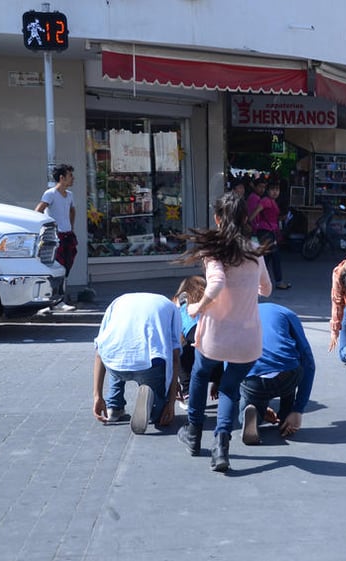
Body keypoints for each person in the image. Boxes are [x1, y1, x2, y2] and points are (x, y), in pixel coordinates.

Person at [175, 191, 273, 473]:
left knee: (200, 374)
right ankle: (221, 446)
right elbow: (266, 289)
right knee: (230, 387)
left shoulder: (213, 251)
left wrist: (198, 307)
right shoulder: (254, 248)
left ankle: (193, 435)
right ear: (245, 218)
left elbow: (216, 283)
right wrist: (247, 287)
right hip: (247, 339)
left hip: (216, 336)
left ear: (218, 219)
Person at [92, 292, 182, 435]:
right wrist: (170, 403)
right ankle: (151, 399)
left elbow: (100, 349)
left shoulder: (117, 301)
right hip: (150, 365)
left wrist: (97, 396)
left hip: (115, 365)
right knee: (158, 416)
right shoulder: (171, 308)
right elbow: (174, 356)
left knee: (117, 353)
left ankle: (114, 406)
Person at [238, 302, 316, 445]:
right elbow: (308, 360)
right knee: (290, 361)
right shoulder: (286, 313)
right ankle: (287, 415)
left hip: (253, 379)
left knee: (248, 401)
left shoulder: (238, 315)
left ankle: (254, 412)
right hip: (287, 377)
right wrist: (298, 410)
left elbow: (229, 361)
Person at [172, 276, 223, 409]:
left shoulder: (181, 301)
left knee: (181, 350)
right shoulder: (213, 300)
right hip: (218, 353)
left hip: (194, 344)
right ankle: (226, 387)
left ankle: (188, 392)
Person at [35, 163, 77, 312]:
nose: (73, 178)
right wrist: (44, 229)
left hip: (67, 235)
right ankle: (53, 302)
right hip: (55, 237)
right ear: (62, 178)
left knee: (66, 267)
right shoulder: (50, 193)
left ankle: (58, 300)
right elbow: (38, 211)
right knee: (55, 268)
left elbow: (72, 210)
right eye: (70, 175)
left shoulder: (70, 195)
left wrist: (71, 227)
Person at [250, 180, 290, 290]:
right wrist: (247, 223)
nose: (275, 192)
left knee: (266, 258)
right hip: (265, 233)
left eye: (277, 190)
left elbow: (272, 218)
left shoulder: (272, 202)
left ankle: (258, 281)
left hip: (269, 232)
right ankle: (278, 281)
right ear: (268, 191)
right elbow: (256, 212)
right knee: (274, 257)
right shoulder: (266, 201)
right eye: (273, 190)